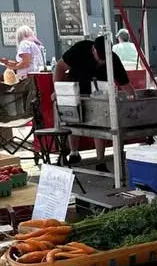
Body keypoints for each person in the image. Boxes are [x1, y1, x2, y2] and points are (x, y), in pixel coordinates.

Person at [54, 35, 135, 171]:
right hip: (76, 88)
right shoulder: (80, 49)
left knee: (100, 124)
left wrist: (133, 101)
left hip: (98, 93)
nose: (102, 63)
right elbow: (60, 67)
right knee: (72, 121)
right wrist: (58, 91)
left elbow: (125, 83)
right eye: (100, 59)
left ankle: (100, 160)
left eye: (104, 60)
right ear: (93, 50)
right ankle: (74, 153)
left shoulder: (113, 58)